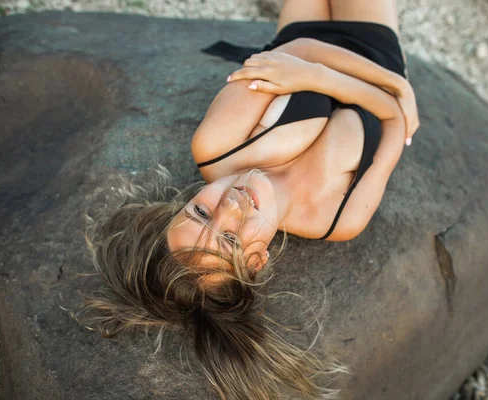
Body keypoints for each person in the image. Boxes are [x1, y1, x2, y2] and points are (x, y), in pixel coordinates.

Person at [81, 1, 419, 399]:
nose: (232, 206)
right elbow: (395, 120)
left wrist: (377, 92)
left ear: (182, 205)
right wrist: (393, 87)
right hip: (374, 50)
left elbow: (296, 50)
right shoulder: (340, 219)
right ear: (257, 261)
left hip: (304, 33)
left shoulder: (217, 147)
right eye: (229, 240)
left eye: (201, 211)